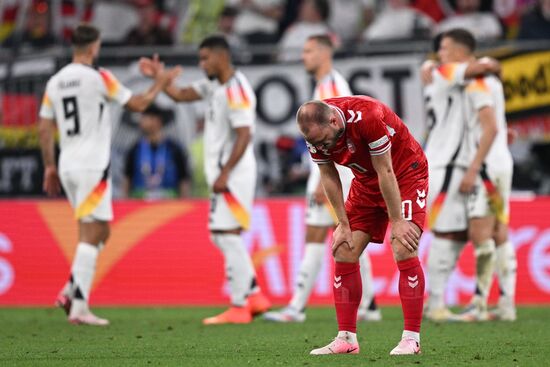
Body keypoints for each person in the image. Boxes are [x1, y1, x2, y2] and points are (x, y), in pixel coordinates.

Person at [38, 24, 176, 326]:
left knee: (100, 231)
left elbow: (44, 127)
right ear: (93, 48)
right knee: (93, 233)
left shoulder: (55, 82)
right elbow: (139, 104)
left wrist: (49, 165)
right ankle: (79, 307)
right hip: (91, 164)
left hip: (67, 165)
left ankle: (69, 290)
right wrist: (160, 83)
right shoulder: (99, 78)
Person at [139, 35, 271, 324]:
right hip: (226, 172)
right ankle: (254, 294)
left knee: (225, 234)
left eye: (204, 58)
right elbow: (180, 94)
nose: (201, 65)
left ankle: (241, 304)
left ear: (222, 57)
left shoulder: (237, 90)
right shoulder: (214, 85)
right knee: (221, 234)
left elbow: (245, 133)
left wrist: (225, 172)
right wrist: (161, 78)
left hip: (234, 173)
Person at [296, 96, 428, 355]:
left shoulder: (367, 116)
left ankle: (411, 339)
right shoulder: (315, 133)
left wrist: (398, 221)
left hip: (404, 174)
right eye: (316, 144)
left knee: (403, 245)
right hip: (366, 181)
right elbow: (328, 175)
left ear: (334, 120)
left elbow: (386, 171)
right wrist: (342, 224)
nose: (322, 146)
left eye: (325, 141)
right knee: (344, 248)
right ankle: (346, 339)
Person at [263, 34, 381, 323]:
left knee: (319, 236)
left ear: (324, 53)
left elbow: (341, 139)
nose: (303, 56)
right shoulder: (326, 84)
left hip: (332, 174)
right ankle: (370, 304)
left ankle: (296, 307)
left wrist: (321, 181)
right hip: (335, 173)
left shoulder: (331, 87)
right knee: (350, 237)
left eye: (308, 50)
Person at [421, 30, 502, 322]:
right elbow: (486, 67)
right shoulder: (444, 72)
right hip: (447, 165)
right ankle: (435, 304)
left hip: (445, 164)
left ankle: (437, 302)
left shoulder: (443, 75)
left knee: (452, 232)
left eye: (444, 48)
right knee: (443, 231)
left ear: (458, 50)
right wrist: (488, 60)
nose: (439, 53)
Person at [122, 104, 191, 199]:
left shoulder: (174, 148)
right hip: (139, 206)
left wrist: (184, 203)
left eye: (145, 118)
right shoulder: (135, 148)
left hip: (169, 206)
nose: (141, 122)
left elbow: (183, 179)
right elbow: (127, 178)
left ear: (157, 121)